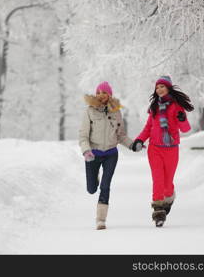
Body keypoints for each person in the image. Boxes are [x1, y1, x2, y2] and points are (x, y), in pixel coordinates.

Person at [132, 76, 194, 227]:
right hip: (154, 149)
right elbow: (148, 128)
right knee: (158, 180)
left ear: (168, 88)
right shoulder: (154, 107)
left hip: (171, 149)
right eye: (157, 87)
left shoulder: (176, 106)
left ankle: (169, 197)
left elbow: (185, 129)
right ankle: (158, 212)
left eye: (162, 87)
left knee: (167, 184)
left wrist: (182, 118)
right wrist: (139, 140)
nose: (159, 89)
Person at [79, 81, 135, 230]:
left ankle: (101, 219)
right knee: (91, 189)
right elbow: (83, 135)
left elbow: (121, 135)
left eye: (104, 92)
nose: (101, 95)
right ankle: (94, 176)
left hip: (111, 153)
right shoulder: (89, 111)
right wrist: (86, 151)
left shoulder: (116, 111)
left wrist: (132, 144)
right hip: (93, 154)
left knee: (105, 186)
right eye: (98, 92)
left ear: (109, 95)